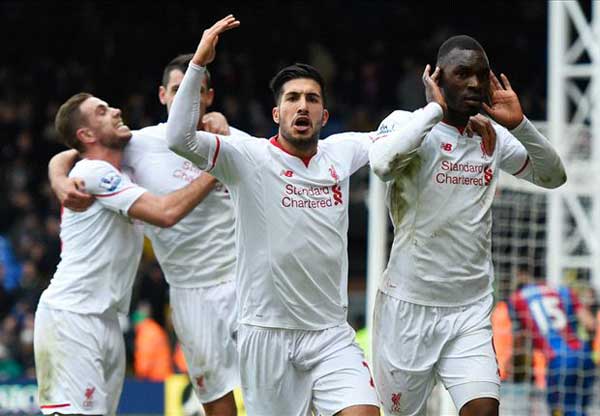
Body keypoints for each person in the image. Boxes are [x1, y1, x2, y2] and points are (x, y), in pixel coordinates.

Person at [166, 15, 404, 416]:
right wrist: (198, 65)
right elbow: (179, 138)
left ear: (324, 116)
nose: (302, 105)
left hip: (329, 334)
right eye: (292, 98)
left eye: (312, 98)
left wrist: (446, 114)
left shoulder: (343, 151)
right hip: (266, 335)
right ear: (277, 114)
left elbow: (394, 131)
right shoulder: (248, 158)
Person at [368, 35, 567, 416]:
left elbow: (554, 176)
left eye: (481, 74)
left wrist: (520, 125)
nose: (475, 83)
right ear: (437, 77)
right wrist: (433, 111)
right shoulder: (406, 123)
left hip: (470, 310)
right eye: (462, 74)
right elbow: (381, 164)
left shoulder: (491, 137)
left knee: (484, 409)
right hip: (409, 307)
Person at [48, 54, 246, 415]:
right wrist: (58, 177)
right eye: (178, 89)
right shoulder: (132, 149)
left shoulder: (230, 139)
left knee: (277, 387)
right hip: (161, 297)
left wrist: (223, 141)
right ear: (163, 95)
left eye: (197, 90)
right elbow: (75, 154)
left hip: (241, 282)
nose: (116, 111)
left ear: (209, 96)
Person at [510, 267, 597, 416]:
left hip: (559, 362)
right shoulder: (563, 291)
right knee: (580, 408)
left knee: (560, 409)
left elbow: (519, 340)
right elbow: (591, 324)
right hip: (583, 355)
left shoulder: (517, 299)